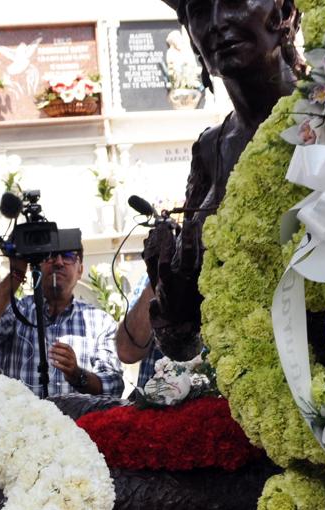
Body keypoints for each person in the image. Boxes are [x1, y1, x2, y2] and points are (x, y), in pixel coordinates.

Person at [119, 0, 302, 361]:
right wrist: (172, 296)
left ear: (282, 11)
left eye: (234, 1)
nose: (217, 22)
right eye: (200, 9)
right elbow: (184, 347)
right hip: (249, 385)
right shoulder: (209, 148)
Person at [0, 250, 124, 398]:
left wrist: (77, 375)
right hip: (21, 426)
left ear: (80, 270)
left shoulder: (100, 322)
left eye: (68, 256)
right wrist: (17, 274)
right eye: (50, 255)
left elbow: (114, 386)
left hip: (78, 427)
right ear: (36, 266)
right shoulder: (17, 312)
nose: (59, 263)